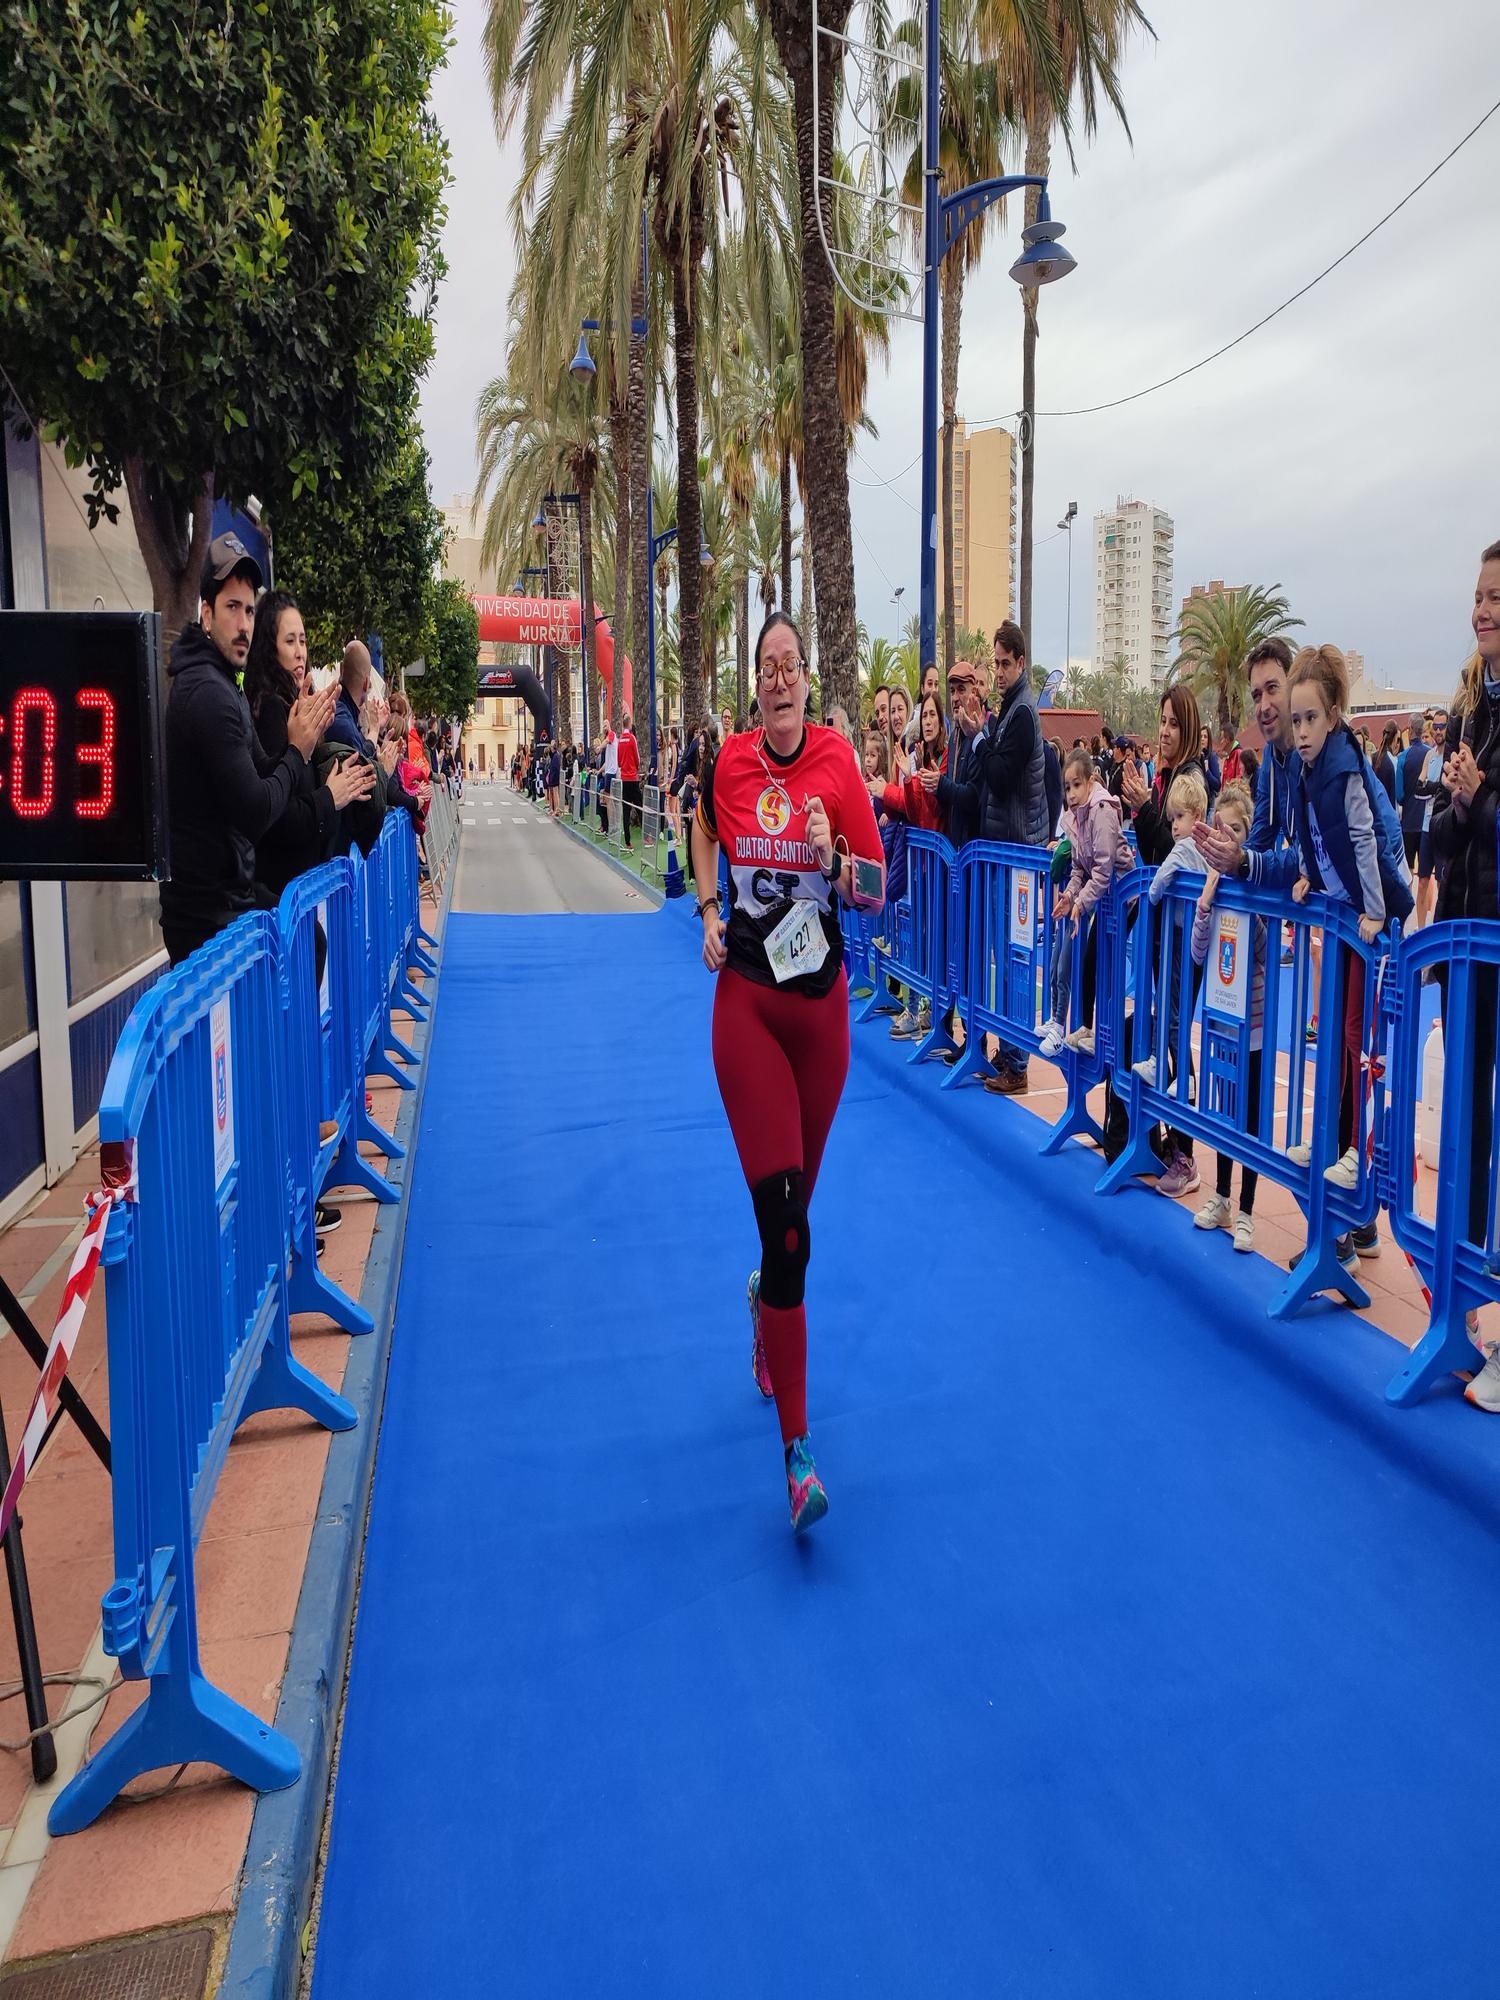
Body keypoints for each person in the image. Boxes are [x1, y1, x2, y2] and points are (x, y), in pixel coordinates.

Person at [691, 612, 884, 1532]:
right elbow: (699, 828)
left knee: (791, 1222)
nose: (777, 679)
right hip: (749, 1012)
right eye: (765, 668)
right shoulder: (730, 763)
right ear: (754, 684)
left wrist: (833, 858)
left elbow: (884, 888)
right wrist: (706, 909)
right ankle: (799, 1455)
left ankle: (765, 1304)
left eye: (790, 666)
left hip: (822, 1022)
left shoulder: (838, 764)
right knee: (790, 1231)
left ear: (807, 679)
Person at [158, 534, 335, 965]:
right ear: (206, 614)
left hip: (231, 898)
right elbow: (256, 810)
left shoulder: (226, 684)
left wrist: (301, 738)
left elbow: (265, 768)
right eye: (232, 608)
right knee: (308, 944)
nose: (243, 625)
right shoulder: (207, 692)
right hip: (206, 919)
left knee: (310, 941)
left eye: (250, 611)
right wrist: (297, 751)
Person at [1284, 645, 1413, 1193]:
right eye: (1296, 720)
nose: (1302, 731)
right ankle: (1333, 1139)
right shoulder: (1307, 770)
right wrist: (1307, 875)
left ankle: (1361, 1148)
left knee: (1362, 1036)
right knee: (1336, 1030)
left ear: (1334, 716)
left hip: (1370, 921)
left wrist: (1375, 911)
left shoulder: (1347, 769)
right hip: (1342, 915)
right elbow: (1314, 835)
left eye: (1311, 718)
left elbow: (1365, 841)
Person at [1432, 540, 1500, 1408]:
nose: (1482, 609)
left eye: (1497, 598)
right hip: (1467, 945)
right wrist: (1457, 801)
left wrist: (1479, 796)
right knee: (1467, 1129)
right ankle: (1468, 1313)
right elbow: (1447, 838)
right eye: (1479, 594)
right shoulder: (1472, 708)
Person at [1116, 684, 1207, 1190]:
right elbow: (1157, 849)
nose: (1165, 730)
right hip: (1163, 929)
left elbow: (1176, 850)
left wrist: (1144, 810)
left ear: (1188, 727)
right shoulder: (1166, 776)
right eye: (1162, 721)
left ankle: (1185, 1152)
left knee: (1175, 1032)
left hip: (1182, 932)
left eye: (1174, 722)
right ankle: (1167, 1139)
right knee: (1166, 1031)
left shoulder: (1191, 779)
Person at [243, 588, 375, 900]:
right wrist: (331, 796)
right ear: (269, 647)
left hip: (298, 890)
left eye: (302, 641)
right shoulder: (270, 709)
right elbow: (278, 815)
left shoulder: (295, 705)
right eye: (290, 641)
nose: (300, 652)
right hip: (281, 896)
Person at [966, 620, 1050, 1097]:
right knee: (1007, 955)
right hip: (1007, 852)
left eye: (1003, 664)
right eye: (994, 664)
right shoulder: (1012, 710)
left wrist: (980, 738)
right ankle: (1009, 1051)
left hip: (1017, 856)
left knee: (1015, 959)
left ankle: (1016, 1062)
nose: (997, 672)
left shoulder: (1021, 715)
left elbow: (999, 776)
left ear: (1020, 662)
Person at [1190, 782, 1266, 1252]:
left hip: (1252, 1025)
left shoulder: (1256, 890)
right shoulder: (1211, 886)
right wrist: (1206, 902)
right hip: (1219, 1019)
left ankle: (1247, 1211)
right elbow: (1199, 952)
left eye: (1236, 831)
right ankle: (1220, 1195)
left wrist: (1246, 904)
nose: (1227, 837)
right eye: (1222, 829)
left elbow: (1263, 951)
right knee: (1223, 1110)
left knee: (1250, 1116)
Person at [1130, 769, 1209, 1115]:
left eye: (1180, 818)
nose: (1174, 826)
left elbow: (1161, 877)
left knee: (1171, 1006)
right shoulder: (1201, 847)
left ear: (1198, 817)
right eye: (1172, 818)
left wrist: (1152, 894)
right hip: (1187, 936)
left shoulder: (1186, 848)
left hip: (1181, 937)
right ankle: (1159, 1058)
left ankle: (1180, 1071)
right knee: (1170, 1004)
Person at [1052, 747, 1132, 1058]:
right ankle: (1087, 1027)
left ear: (1090, 782)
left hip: (1126, 897)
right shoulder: (1076, 818)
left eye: (1076, 785)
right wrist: (1069, 896)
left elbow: (1102, 870)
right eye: (1067, 787)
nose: (1071, 794)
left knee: (1105, 964)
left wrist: (1080, 904)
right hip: (1107, 898)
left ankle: (1106, 1034)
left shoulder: (1101, 812)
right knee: (1089, 961)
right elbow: (1079, 870)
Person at [882, 688, 947, 1040]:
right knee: (918, 936)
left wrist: (930, 781)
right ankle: (918, 1005)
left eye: (933, 715)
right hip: (920, 862)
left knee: (935, 940)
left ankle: (931, 1010)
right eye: (925, 717)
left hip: (939, 863)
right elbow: (913, 809)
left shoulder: (944, 758)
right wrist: (909, 779)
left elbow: (933, 810)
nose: (928, 721)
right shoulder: (919, 756)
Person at [618, 713, 642, 847]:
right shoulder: (632, 739)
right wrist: (634, 768)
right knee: (640, 807)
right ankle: (646, 836)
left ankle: (627, 841)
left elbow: (618, 761)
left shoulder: (620, 739)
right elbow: (637, 759)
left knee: (625, 810)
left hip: (624, 779)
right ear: (629, 724)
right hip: (633, 778)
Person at [1373, 722, 1401, 807]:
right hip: (1389, 807)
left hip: (1375, 807)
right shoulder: (1393, 761)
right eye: (1398, 739)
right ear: (1395, 738)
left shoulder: (1373, 757)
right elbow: (1396, 792)